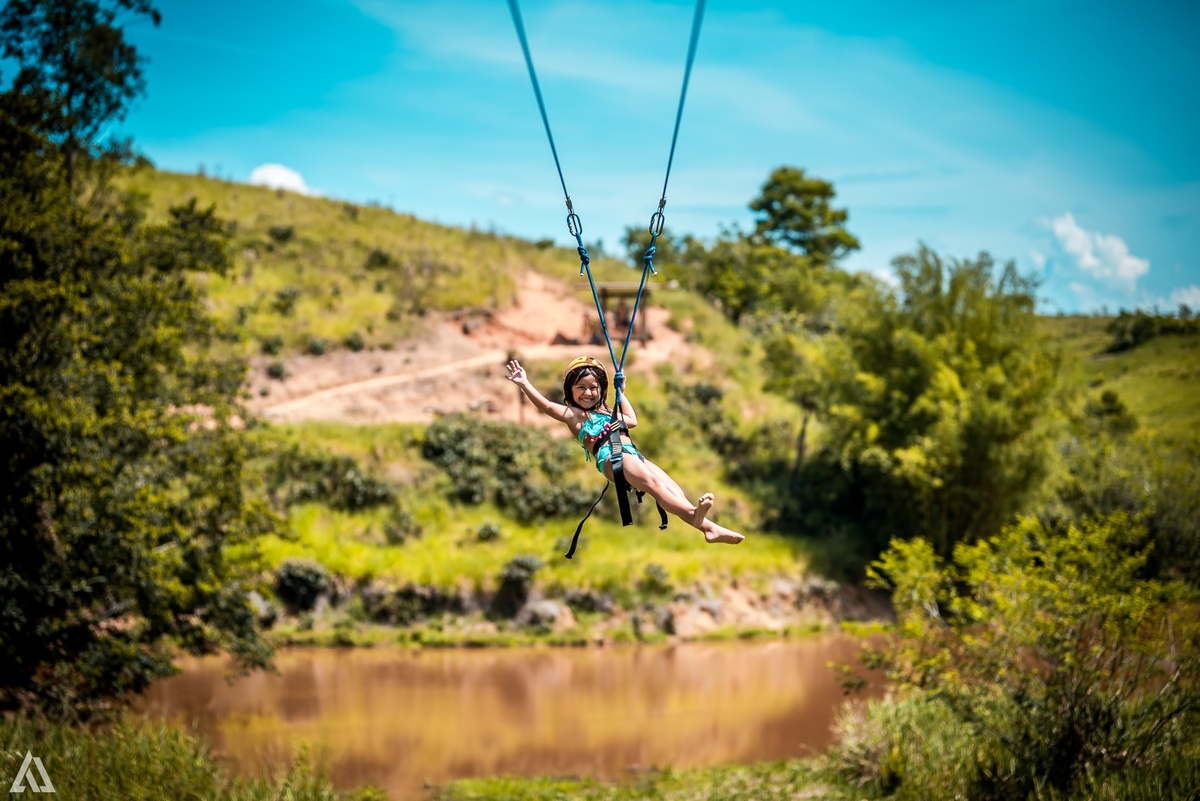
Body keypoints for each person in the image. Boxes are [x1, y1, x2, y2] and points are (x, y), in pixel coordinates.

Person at [505, 355, 745, 546]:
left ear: (602, 390)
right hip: (612, 458)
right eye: (581, 387)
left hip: (633, 454)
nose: (588, 393)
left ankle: (708, 528)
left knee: (671, 487)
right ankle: (695, 515)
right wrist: (524, 383)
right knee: (654, 484)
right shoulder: (575, 416)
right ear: (570, 391)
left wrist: (621, 392)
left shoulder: (606, 413)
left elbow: (631, 420)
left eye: (593, 387)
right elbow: (547, 406)